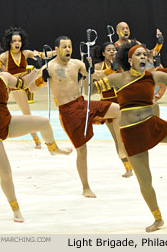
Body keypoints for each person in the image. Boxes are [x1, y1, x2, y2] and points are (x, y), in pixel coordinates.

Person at [93, 41, 167, 232]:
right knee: (146, 182)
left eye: (145, 54)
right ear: (129, 60)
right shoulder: (117, 78)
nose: (143, 57)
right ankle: (158, 218)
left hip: (151, 125)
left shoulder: (155, 76)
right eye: (138, 55)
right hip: (131, 133)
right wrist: (87, 74)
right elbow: (88, 90)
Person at [0, 38, 72, 222]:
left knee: (43, 122)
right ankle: (15, 209)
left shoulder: (5, 78)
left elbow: (25, 85)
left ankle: (53, 149)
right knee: (6, 173)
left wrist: (39, 70)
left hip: (8, 124)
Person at [41, 36, 125, 198]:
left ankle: (121, 148)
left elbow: (95, 75)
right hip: (67, 111)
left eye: (69, 46)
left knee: (117, 110)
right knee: (82, 151)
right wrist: (40, 79)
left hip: (82, 103)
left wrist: (107, 69)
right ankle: (85, 187)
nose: (67, 49)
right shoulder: (49, 67)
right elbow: (32, 85)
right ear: (56, 49)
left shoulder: (76, 64)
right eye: (64, 47)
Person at [0, 27, 47, 149]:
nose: (17, 43)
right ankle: (37, 140)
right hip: (16, 87)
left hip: (28, 83)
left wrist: (58, 51)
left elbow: (43, 54)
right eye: (14, 41)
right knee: (27, 114)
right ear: (9, 42)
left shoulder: (25, 53)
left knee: (44, 72)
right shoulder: (4, 56)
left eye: (19, 40)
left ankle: (44, 78)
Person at [91, 42, 133, 177]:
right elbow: (94, 80)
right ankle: (128, 167)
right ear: (103, 53)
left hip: (123, 103)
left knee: (126, 137)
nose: (112, 52)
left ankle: (133, 165)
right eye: (109, 50)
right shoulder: (98, 66)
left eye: (114, 50)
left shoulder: (123, 65)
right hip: (108, 106)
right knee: (117, 139)